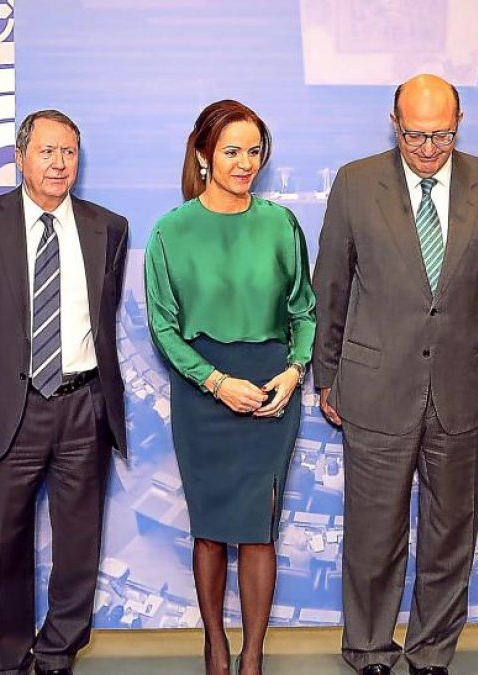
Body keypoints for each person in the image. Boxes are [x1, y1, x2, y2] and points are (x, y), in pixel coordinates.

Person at [312, 74, 478, 675]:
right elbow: (332, 286)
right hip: (374, 388)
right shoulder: (355, 182)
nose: (428, 149)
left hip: (463, 390)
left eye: (442, 135)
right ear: (394, 123)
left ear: (460, 124)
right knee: (373, 537)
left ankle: (431, 652)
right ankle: (369, 649)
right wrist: (329, 376)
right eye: (415, 135)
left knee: (451, 537)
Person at [0, 109, 129, 675]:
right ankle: (6, 657)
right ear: (20, 157)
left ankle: (58, 652)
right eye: (47, 151)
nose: (58, 163)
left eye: (69, 153)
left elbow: (104, 314)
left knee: (79, 543)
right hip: (8, 406)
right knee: (3, 544)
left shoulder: (109, 227)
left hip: (83, 404)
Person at [144, 100, 315, 675]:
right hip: (202, 392)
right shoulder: (170, 231)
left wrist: (293, 372)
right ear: (203, 155)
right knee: (212, 529)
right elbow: (164, 328)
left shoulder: (280, 225)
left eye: (254, 151)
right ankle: (215, 648)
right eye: (232, 151)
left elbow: (304, 311)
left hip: (272, 390)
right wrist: (216, 383)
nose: (245, 163)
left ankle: (253, 656)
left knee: (259, 531)